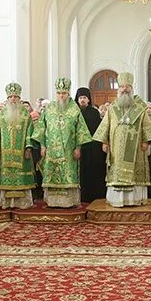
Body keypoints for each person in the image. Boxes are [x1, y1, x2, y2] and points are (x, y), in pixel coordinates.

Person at [92, 72, 151, 207]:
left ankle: (134, 199)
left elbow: (146, 125)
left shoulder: (140, 108)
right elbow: (106, 125)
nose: (124, 89)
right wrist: (105, 141)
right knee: (117, 172)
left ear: (131, 88)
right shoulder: (112, 108)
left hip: (136, 148)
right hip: (116, 148)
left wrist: (146, 141)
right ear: (118, 89)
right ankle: (117, 200)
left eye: (127, 86)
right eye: (121, 86)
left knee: (135, 174)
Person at [31, 78, 92, 208]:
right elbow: (42, 127)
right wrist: (42, 145)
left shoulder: (74, 109)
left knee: (68, 175)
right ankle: (52, 202)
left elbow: (81, 130)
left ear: (68, 93)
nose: (61, 96)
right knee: (52, 175)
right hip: (51, 150)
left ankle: (69, 202)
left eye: (64, 93)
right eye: (59, 93)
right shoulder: (50, 108)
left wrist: (78, 148)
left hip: (69, 150)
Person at [0, 83, 36, 209]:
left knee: (22, 178)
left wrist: (28, 147)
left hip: (22, 153)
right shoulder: (1, 115)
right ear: (7, 99)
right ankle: (7, 202)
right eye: (10, 97)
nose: (13, 99)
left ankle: (23, 203)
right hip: (6, 154)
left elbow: (30, 132)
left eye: (15, 97)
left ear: (19, 98)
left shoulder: (25, 114)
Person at [75, 87, 107, 203]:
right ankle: (82, 197)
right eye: (80, 98)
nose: (82, 100)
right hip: (79, 148)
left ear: (89, 100)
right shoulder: (74, 113)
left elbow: (99, 131)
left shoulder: (94, 112)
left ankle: (95, 195)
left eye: (84, 98)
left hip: (93, 149)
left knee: (94, 172)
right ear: (77, 100)